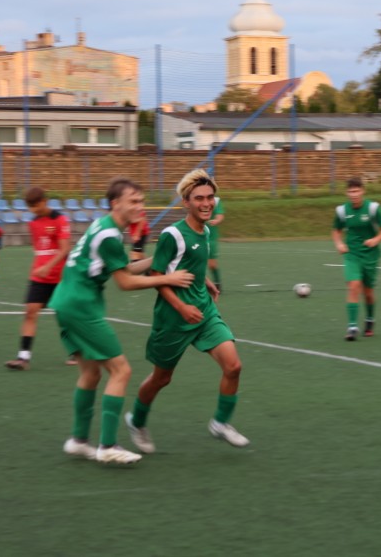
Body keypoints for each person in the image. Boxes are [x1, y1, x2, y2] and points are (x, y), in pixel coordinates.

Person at [49, 178, 194, 465]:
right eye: (134, 201)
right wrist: (168, 278)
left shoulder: (105, 227)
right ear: (115, 203)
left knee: (91, 374)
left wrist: (156, 260)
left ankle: (79, 441)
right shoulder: (109, 235)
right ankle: (108, 446)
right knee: (121, 371)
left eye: (141, 201)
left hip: (67, 302)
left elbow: (123, 267)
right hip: (80, 307)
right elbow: (124, 282)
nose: (140, 206)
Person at [124, 169, 248, 454]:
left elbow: (190, 264)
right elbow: (157, 276)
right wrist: (181, 306)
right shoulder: (172, 235)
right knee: (161, 378)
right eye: (199, 198)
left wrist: (205, 282)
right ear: (186, 202)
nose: (206, 203)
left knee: (233, 366)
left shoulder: (205, 230)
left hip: (203, 312)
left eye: (210, 197)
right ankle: (136, 421)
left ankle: (221, 423)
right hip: (173, 317)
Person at [5, 187, 72, 370]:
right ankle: (23, 357)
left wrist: (48, 266)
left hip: (59, 277)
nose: (33, 210)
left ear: (45, 201)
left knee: (65, 316)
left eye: (35, 205)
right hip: (39, 276)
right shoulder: (33, 223)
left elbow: (65, 249)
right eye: (30, 207)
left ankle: (76, 351)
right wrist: (40, 267)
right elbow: (39, 249)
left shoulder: (59, 219)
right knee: (30, 311)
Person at [331, 176, 381, 341]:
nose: (354, 194)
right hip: (352, 254)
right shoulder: (342, 211)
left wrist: (376, 240)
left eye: (357, 191)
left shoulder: (373, 208)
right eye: (351, 191)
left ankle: (370, 320)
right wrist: (339, 243)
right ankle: (352, 327)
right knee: (353, 285)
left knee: (368, 292)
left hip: (370, 254)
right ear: (347, 193)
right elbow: (336, 230)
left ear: (362, 191)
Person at [207, 184, 225, 292]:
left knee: (212, 264)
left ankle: (217, 284)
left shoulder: (216, 201)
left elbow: (220, 215)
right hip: (197, 235)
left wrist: (217, 220)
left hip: (211, 237)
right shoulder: (197, 199)